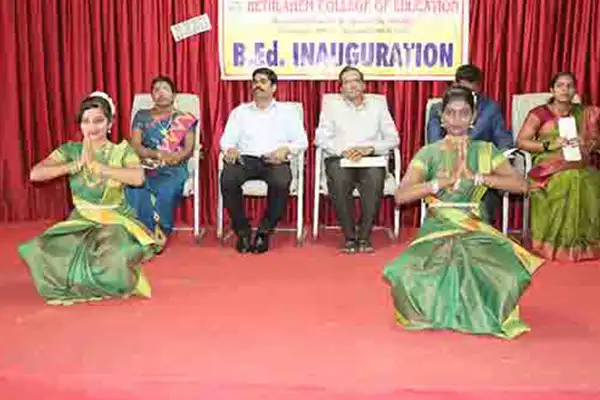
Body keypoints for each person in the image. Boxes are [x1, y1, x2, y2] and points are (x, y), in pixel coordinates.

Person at [384, 86, 543, 339]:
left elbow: (521, 186)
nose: (457, 120)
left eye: (464, 113)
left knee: (509, 274)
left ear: (474, 117)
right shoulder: (428, 152)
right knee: (405, 273)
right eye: (450, 113)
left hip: (474, 226)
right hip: (438, 228)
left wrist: (479, 177)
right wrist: (437, 184)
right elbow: (401, 195)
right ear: (441, 117)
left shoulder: (486, 151)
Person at [18, 93, 164, 305]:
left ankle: (119, 278)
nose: (92, 127)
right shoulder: (71, 150)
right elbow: (36, 173)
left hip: (114, 220)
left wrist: (102, 168)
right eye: (86, 121)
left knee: (113, 260)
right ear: (80, 125)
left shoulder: (121, 151)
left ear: (110, 123)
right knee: (40, 251)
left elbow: (138, 177)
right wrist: (72, 166)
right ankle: (87, 280)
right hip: (81, 220)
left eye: (98, 120)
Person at [220, 68, 308, 254]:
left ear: (273, 87)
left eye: (262, 81)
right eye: (255, 81)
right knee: (228, 178)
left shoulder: (288, 112)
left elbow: (302, 141)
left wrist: (286, 149)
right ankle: (242, 231)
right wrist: (230, 149)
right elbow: (226, 140)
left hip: (275, 159)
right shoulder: (240, 112)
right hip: (246, 158)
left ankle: (264, 231)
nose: (257, 85)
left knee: (281, 181)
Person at [516, 72, 600, 261]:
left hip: (578, 163)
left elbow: (597, 142)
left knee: (591, 179)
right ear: (552, 90)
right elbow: (521, 142)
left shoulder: (585, 113)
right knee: (570, 178)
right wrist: (549, 144)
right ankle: (556, 244)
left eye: (569, 86)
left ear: (575, 90)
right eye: (560, 85)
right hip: (548, 166)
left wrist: (587, 142)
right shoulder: (539, 113)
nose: (565, 89)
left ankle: (586, 245)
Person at [315, 66, 399, 253]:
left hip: (371, 158)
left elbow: (393, 138)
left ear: (363, 85)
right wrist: (343, 150)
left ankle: (364, 236)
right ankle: (350, 237)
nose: (352, 85)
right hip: (340, 158)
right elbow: (320, 138)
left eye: (356, 81)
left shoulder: (378, 106)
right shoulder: (332, 106)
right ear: (341, 88)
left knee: (374, 178)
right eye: (347, 82)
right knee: (339, 178)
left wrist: (370, 148)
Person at [426, 64, 512, 225]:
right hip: (447, 164)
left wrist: (504, 155)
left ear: (479, 87)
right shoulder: (438, 108)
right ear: (455, 85)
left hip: (481, 167)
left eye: (472, 92)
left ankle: (480, 228)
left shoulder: (490, 108)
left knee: (488, 188)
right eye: (463, 90)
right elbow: (434, 140)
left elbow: (503, 138)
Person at [127, 75, 198, 237]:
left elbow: (188, 149)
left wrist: (176, 157)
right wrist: (156, 154)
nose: (161, 93)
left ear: (174, 95)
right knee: (133, 185)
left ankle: (159, 231)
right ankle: (138, 228)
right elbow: (135, 145)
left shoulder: (184, 118)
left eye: (165, 89)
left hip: (174, 167)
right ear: (152, 95)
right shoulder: (142, 115)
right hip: (146, 164)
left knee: (166, 188)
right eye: (156, 90)